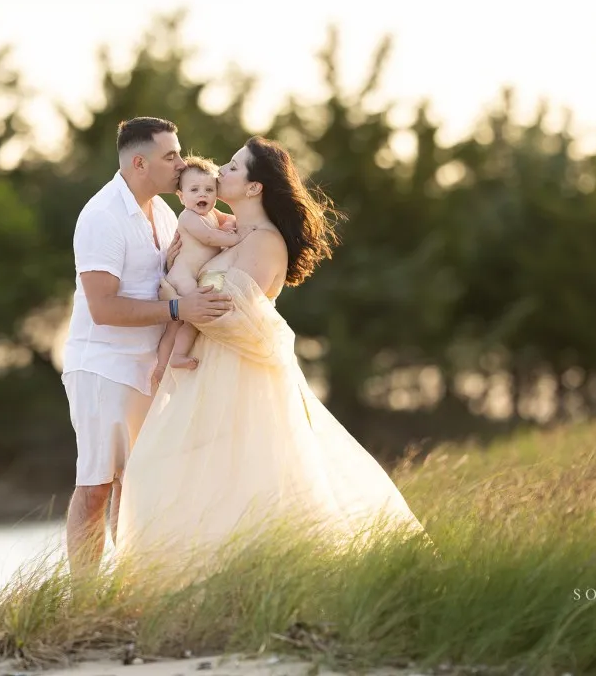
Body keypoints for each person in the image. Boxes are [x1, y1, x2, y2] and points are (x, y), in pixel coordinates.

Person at [115, 136, 432, 577]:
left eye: (233, 166)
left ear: (253, 188)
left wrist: (173, 296)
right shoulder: (226, 234)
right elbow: (204, 286)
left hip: (237, 378)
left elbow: (235, 319)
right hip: (206, 374)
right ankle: (183, 584)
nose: (220, 171)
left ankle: (256, 581)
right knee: (165, 474)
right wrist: (176, 266)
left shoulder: (265, 243)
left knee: (236, 481)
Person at [61, 117, 233, 579]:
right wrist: (181, 309)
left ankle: (134, 586)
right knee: (96, 486)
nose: (180, 164)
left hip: (150, 367)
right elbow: (104, 308)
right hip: (103, 367)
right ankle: (83, 600)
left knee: (138, 484)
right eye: (170, 156)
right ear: (140, 162)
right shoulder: (102, 217)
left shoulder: (163, 212)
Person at [153, 156, 249, 389]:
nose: (202, 195)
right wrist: (237, 237)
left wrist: (231, 225)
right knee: (196, 315)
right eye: (194, 190)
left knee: (175, 325)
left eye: (208, 189)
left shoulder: (213, 215)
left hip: (189, 277)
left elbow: (233, 220)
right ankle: (168, 362)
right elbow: (209, 237)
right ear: (181, 196)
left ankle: (163, 367)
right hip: (181, 277)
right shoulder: (188, 217)